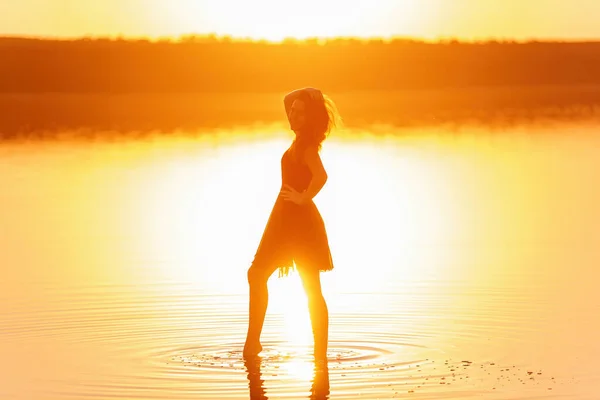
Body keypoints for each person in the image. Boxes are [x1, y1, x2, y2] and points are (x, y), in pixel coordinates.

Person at [243, 87, 340, 361]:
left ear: (308, 119)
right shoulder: (297, 140)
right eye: (293, 111)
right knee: (256, 274)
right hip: (284, 220)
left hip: (301, 223)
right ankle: (253, 344)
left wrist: (303, 197)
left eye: (299, 112)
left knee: (311, 288)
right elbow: (287, 98)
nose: (291, 114)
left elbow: (321, 176)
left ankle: (319, 355)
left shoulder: (307, 145)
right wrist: (310, 94)